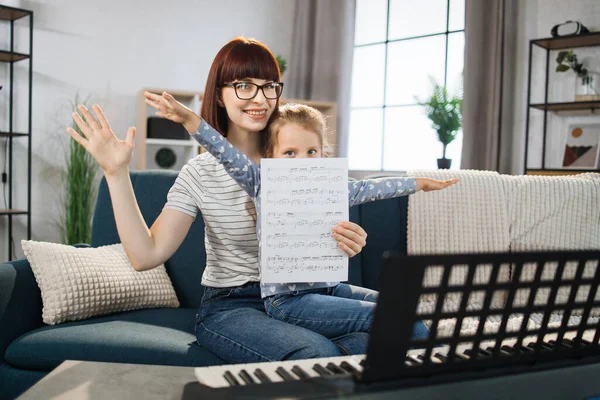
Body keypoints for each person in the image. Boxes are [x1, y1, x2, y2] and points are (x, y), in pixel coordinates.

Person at [67, 36, 374, 364]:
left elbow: (319, 239)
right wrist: (116, 172)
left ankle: (322, 372)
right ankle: (324, 367)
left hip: (310, 294)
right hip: (235, 306)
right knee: (316, 353)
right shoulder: (200, 172)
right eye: (244, 85)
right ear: (219, 94)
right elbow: (146, 255)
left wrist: (345, 240)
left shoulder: (300, 160)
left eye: (268, 85)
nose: (259, 98)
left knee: (412, 326)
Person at [144, 89, 459, 340]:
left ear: (323, 154)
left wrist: (419, 183)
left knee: (402, 307)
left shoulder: (330, 185)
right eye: (290, 153)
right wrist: (190, 121)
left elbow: (371, 188)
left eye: (311, 152)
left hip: (328, 288)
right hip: (288, 302)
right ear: (271, 156)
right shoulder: (260, 181)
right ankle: (435, 381)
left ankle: (418, 373)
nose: (302, 160)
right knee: (392, 318)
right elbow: (224, 153)